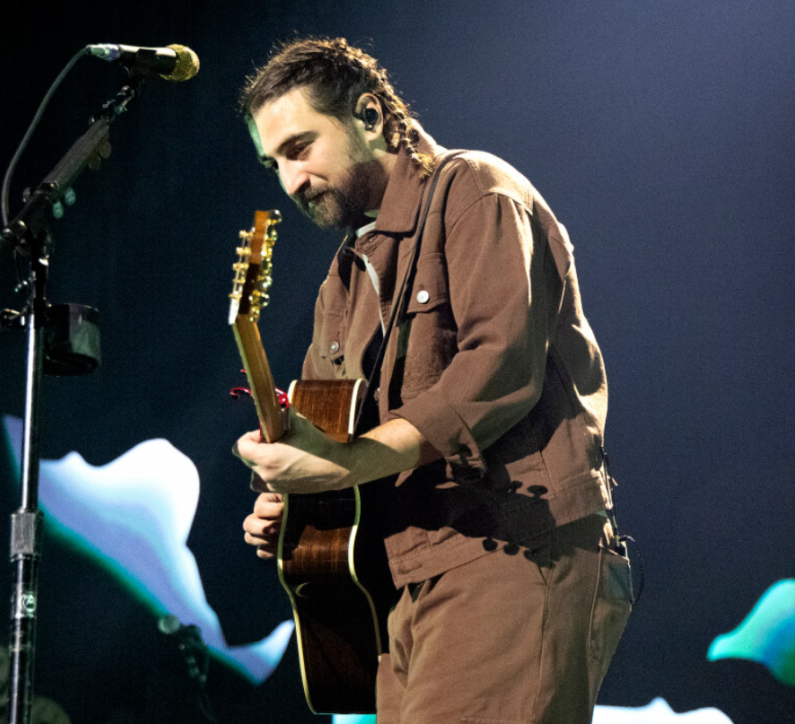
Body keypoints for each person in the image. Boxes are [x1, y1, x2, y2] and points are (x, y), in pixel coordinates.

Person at [233, 37, 632, 724]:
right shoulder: (345, 275)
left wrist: (347, 463)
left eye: (300, 147)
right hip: (404, 585)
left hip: (512, 551)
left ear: (371, 115)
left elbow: (497, 369)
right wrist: (294, 500)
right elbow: (327, 436)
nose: (289, 182)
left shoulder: (476, 189)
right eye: (273, 164)